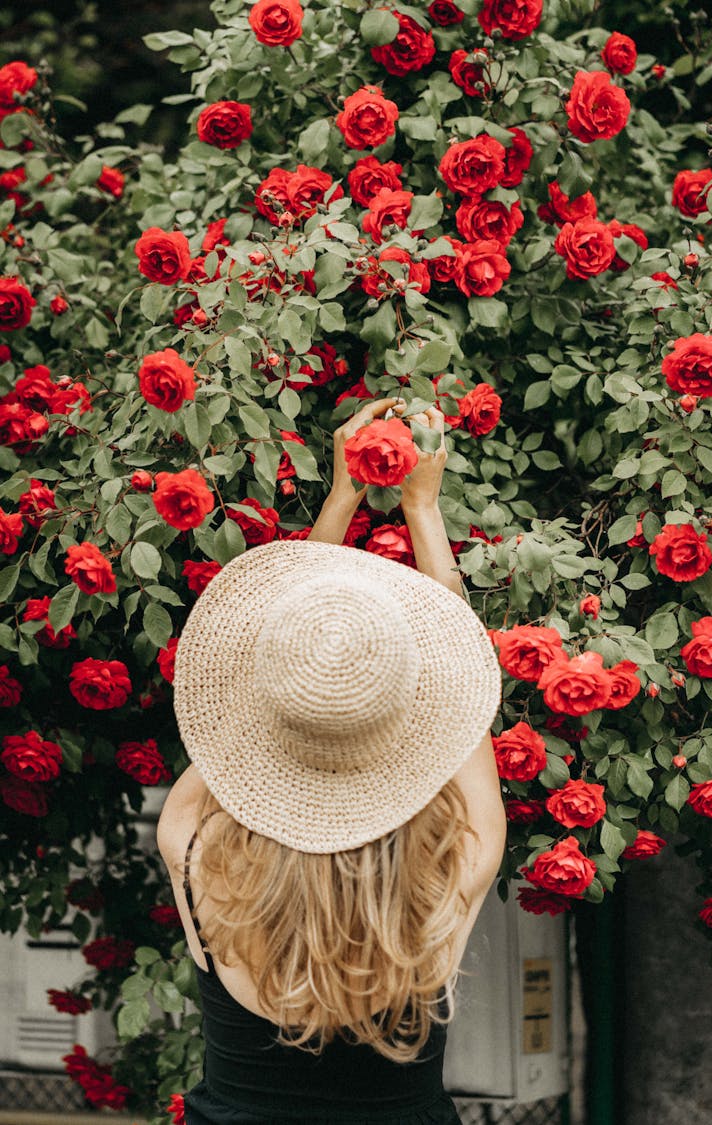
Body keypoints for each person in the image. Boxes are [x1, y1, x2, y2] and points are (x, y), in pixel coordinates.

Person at [157, 396, 506, 1125]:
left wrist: (341, 496)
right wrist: (425, 511)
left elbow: (250, 708)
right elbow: (468, 693)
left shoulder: (191, 848)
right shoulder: (449, 880)